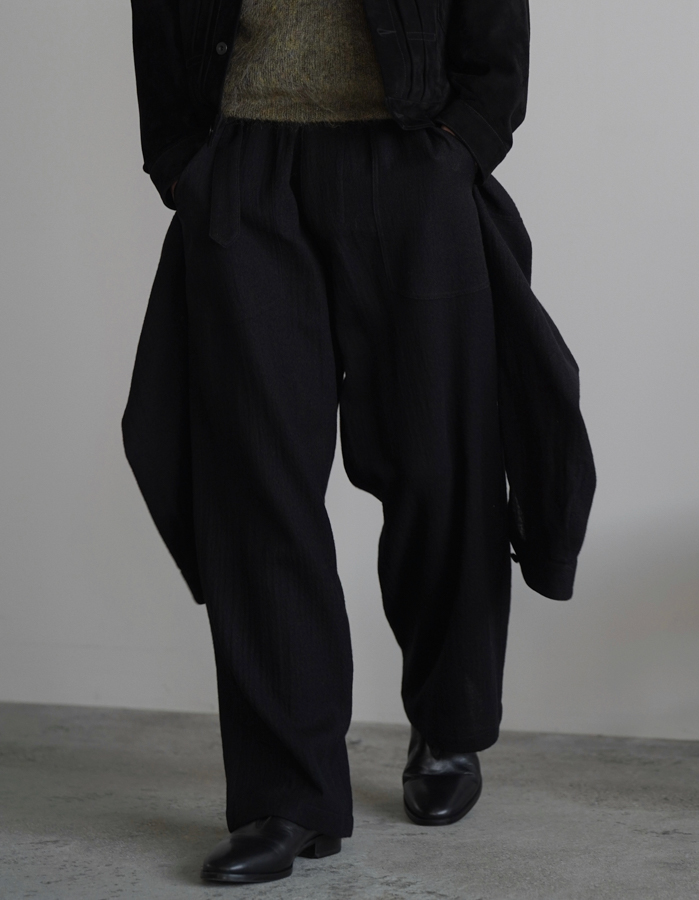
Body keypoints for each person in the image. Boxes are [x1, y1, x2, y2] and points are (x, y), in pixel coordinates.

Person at [124, 0, 596, 885]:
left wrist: (462, 143)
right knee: (255, 482)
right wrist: (183, 159)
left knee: (439, 466)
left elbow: (494, 28)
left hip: (409, 157)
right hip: (243, 168)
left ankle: (448, 726)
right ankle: (285, 796)